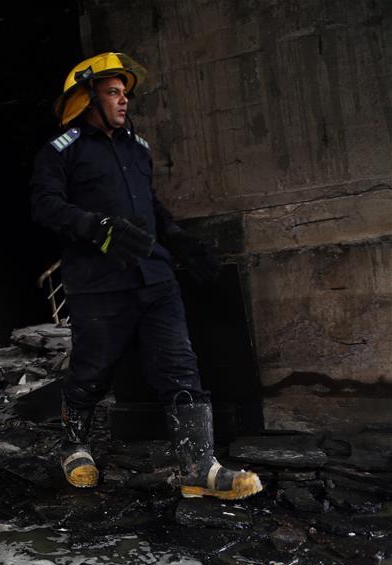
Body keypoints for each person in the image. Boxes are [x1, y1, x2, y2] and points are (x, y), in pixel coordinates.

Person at [30, 52, 262, 500]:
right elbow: (45, 207)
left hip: (154, 279)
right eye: (113, 93)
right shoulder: (61, 150)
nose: (123, 102)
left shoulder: (137, 148)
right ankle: (75, 444)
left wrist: (179, 240)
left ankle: (199, 466)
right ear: (87, 99)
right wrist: (95, 228)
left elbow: (150, 206)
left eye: (125, 95)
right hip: (98, 284)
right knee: (92, 370)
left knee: (180, 366)